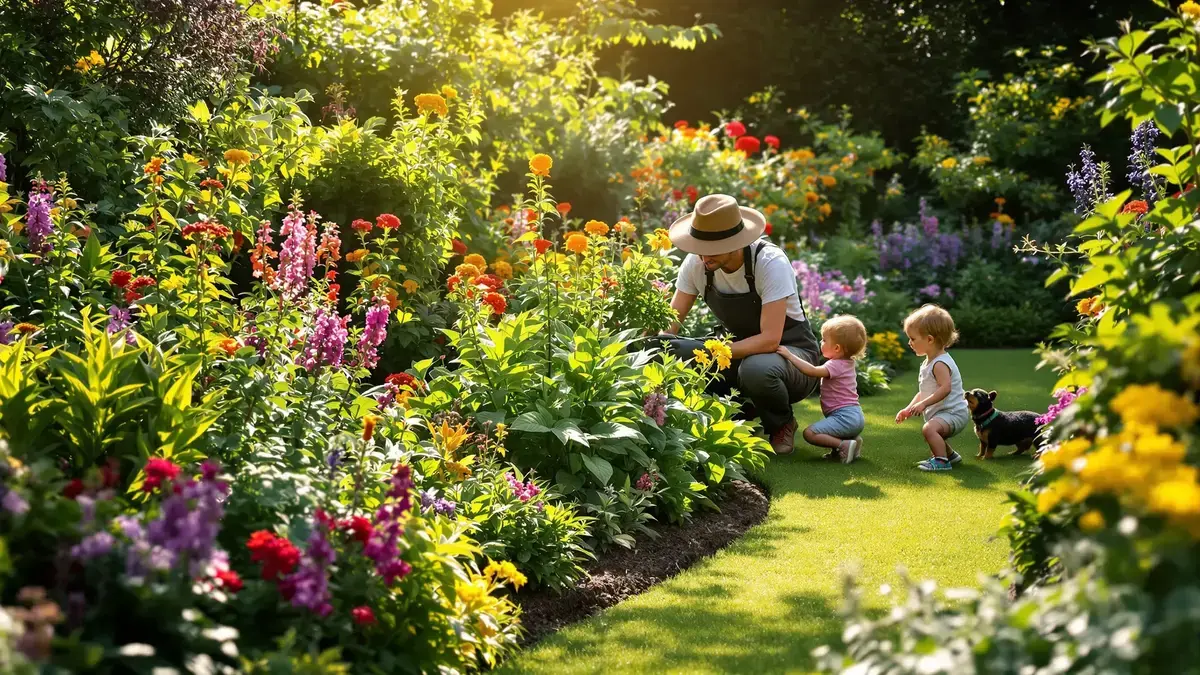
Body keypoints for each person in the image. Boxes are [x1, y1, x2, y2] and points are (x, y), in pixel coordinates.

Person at [654, 193, 821, 455]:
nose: (702, 255)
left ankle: (781, 422)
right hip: (733, 352)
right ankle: (740, 413)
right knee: (661, 348)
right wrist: (657, 347)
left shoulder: (769, 263)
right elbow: (670, 324)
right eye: (699, 245)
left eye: (711, 248)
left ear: (734, 242)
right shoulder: (698, 263)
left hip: (790, 357)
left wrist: (715, 351)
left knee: (756, 369)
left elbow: (770, 340)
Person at [775, 315, 867, 462]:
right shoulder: (847, 363)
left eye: (824, 340)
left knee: (810, 433)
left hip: (844, 417)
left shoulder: (834, 365)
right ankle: (851, 443)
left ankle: (843, 445)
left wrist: (790, 356)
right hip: (855, 416)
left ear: (836, 348)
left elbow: (812, 371)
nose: (820, 342)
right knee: (829, 428)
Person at [895, 304, 970, 472]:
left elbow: (946, 389)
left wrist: (924, 404)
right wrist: (908, 409)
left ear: (929, 339)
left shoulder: (940, 364)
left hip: (954, 414)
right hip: (945, 413)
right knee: (930, 430)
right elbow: (924, 392)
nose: (909, 343)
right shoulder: (929, 362)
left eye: (913, 339)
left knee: (929, 429)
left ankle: (942, 462)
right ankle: (950, 455)